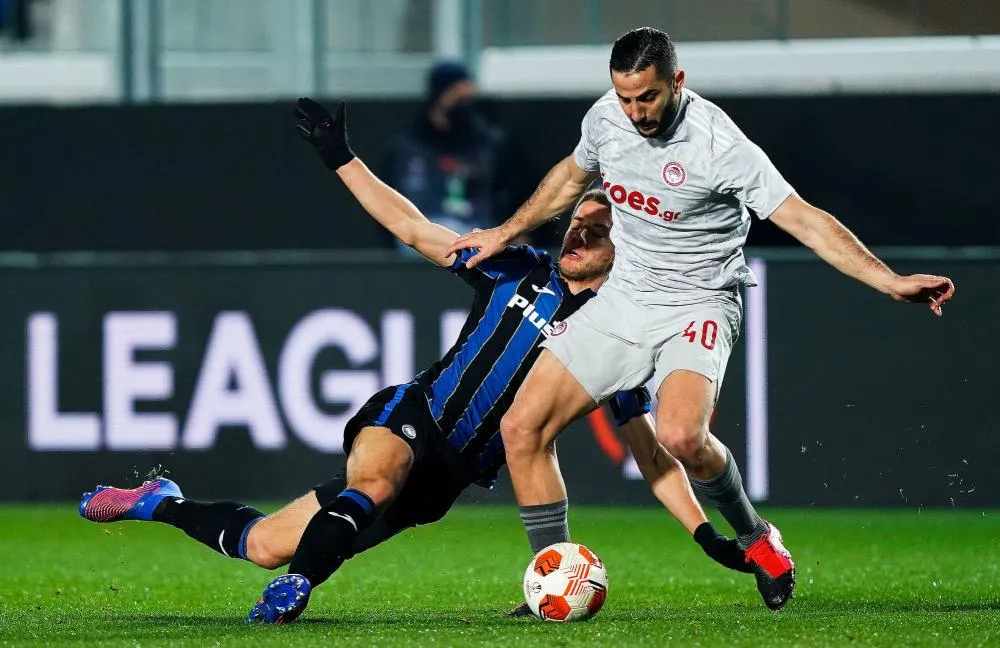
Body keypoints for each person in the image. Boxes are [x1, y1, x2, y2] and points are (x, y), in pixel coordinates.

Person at [78, 97, 751, 625]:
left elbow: (653, 457)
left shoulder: (617, 337)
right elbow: (411, 226)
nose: (580, 228)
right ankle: (299, 587)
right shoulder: (513, 267)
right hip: (414, 415)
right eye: (578, 218)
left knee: (262, 543)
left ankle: (161, 504)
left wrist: (703, 535)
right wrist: (340, 155)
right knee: (368, 487)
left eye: (599, 228)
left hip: (446, 480)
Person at [448, 27, 956, 612]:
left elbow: (806, 220)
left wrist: (889, 280)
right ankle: (555, 575)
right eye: (625, 98)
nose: (636, 112)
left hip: (700, 301)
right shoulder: (606, 119)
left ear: (677, 83)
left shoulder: (721, 148)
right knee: (522, 428)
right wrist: (504, 232)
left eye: (649, 98)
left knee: (681, 436)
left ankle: (757, 535)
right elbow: (570, 177)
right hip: (625, 298)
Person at [381, 60, 538, 255]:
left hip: (478, 234)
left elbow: (517, 193)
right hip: (420, 242)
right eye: (457, 96)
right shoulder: (406, 149)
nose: (465, 107)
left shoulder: (491, 145)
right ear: (439, 95)